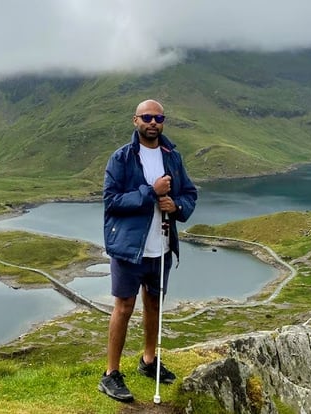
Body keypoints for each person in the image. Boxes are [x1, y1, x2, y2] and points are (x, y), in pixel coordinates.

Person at [98, 99, 197, 402]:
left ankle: (148, 361)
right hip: (129, 249)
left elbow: (190, 194)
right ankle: (111, 374)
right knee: (124, 307)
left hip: (162, 247)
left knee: (154, 304)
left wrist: (176, 205)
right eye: (147, 117)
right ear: (135, 121)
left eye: (158, 118)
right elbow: (112, 201)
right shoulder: (122, 158)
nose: (153, 122)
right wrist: (150, 193)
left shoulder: (172, 157)